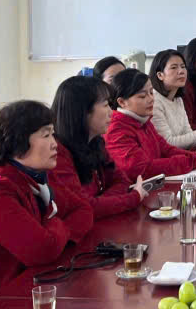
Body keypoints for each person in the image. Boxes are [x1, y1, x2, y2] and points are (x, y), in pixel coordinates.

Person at [0, 100, 93, 297]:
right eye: (46, 135)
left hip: (33, 284)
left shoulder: (36, 174)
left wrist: (52, 233)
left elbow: (84, 210)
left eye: (53, 134)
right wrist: (54, 223)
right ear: (17, 142)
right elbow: (42, 250)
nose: (55, 144)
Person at [50, 75, 147, 219]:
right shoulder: (57, 154)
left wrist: (100, 202)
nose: (111, 112)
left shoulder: (95, 142)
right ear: (82, 111)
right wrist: (133, 198)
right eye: (106, 105)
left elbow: (122, 181)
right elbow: (83, 207)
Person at [104, 67, 196, 179]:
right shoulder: (116, 129)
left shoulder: (143, 121)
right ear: (122, 102)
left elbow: (166, 149)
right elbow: (141, 170)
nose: (151, 99)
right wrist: (193, 161)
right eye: (142, 96)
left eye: (151, 92)